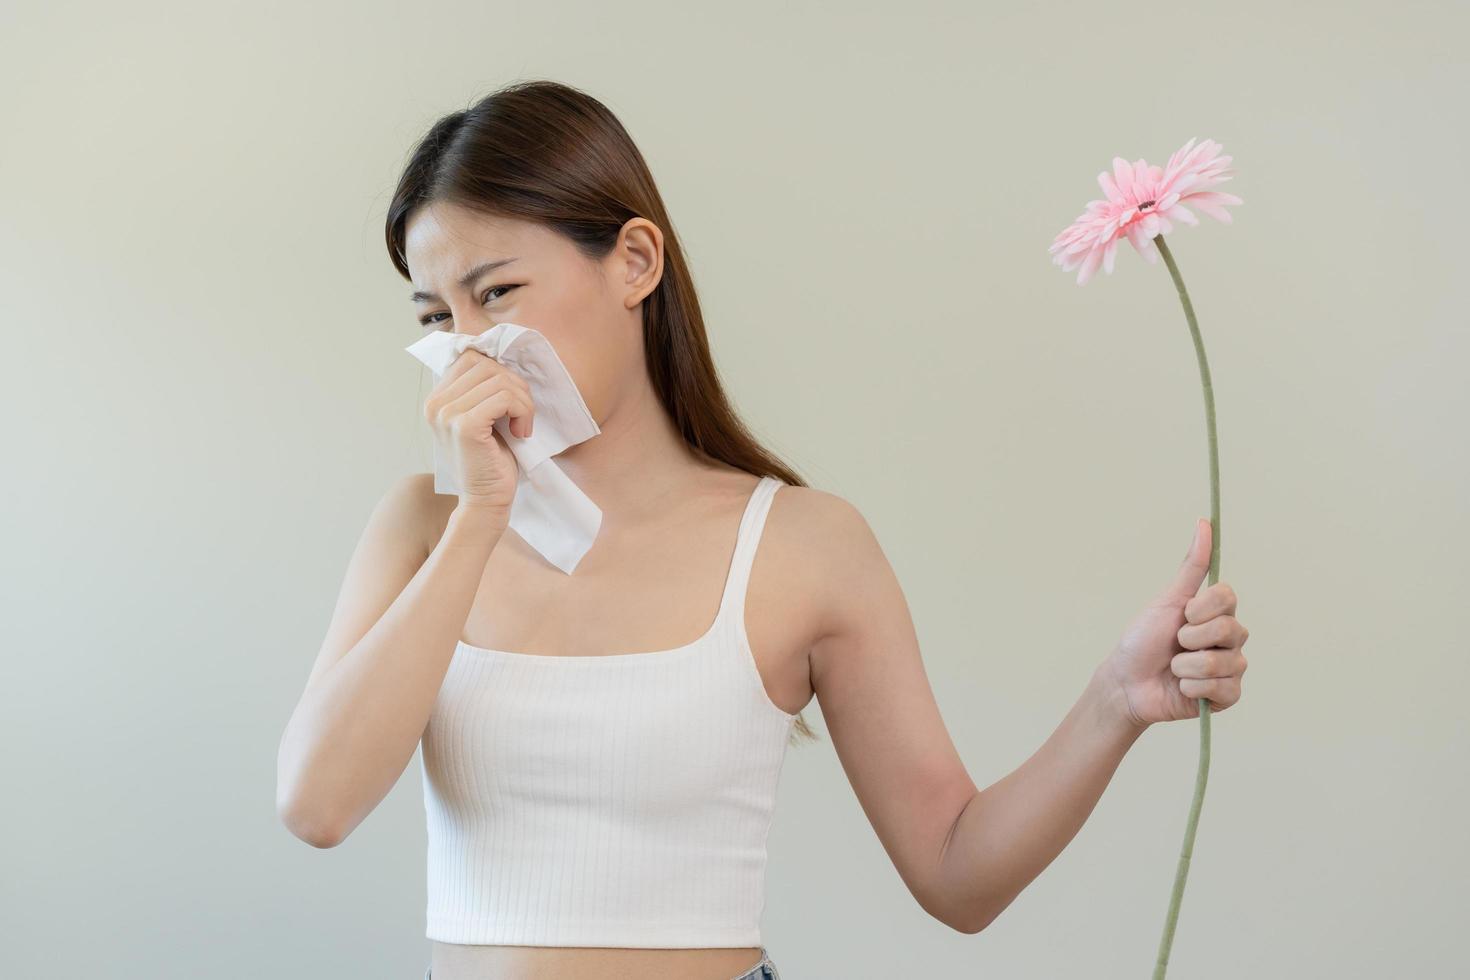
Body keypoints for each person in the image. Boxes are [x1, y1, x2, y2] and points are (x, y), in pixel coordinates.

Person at [275, 80, 1251, 980]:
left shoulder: (803, 543)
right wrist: (481, 514)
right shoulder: (423, 527)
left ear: (634, 261)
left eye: (497, 294)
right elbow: (317, 806)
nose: (470, 347)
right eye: (437, 313)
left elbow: (958, 872)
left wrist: (1115, 700)